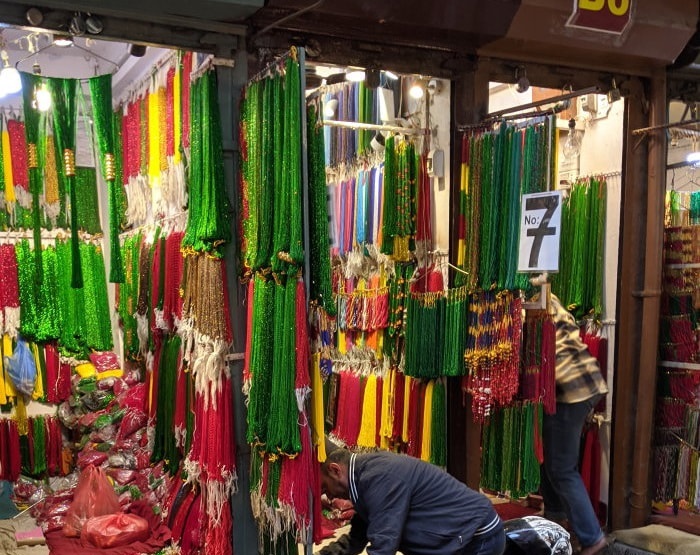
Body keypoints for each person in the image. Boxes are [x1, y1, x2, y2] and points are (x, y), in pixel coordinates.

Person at [319, 447, 505, 555]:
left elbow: (384, 545)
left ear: (335, 470)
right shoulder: (363, 478)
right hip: (464, 535)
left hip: (478, 538)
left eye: (325, 488)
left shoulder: (378, 477)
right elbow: (358, 536)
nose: (328, 497)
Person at [541, 294, 609, 555]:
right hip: (583, 384)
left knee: (561, 468)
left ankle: (592, 538)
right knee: (552, 458)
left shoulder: (525, 306)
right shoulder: (549, 296)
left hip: (571, 390)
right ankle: (556, 518)